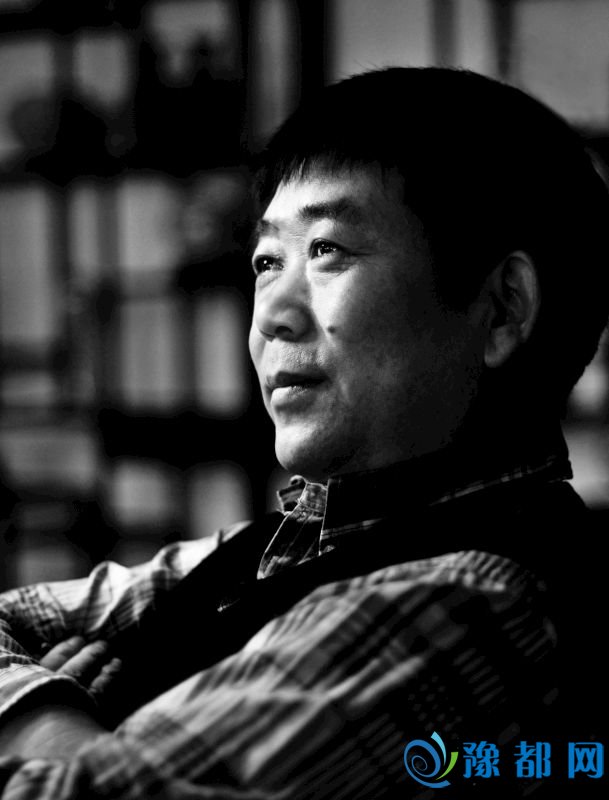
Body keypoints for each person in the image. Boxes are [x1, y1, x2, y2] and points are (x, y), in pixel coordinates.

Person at [0, 66, 607, 798]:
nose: (269, 317)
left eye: (328, 251)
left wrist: (44, 723)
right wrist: (67, 721)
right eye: (266, 261)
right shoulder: (279, 544)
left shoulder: (472, 597)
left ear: (503, 308)